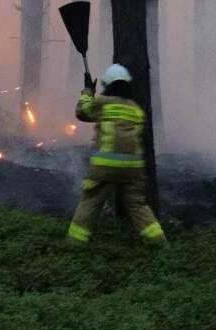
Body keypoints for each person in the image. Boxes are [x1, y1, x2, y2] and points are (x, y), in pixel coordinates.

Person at [66, 63, 167, 243]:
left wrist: (88, 91)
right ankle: (160, 245)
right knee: (138, 206)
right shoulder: (136, 110)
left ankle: (74, 245)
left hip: (105, 166)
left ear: (107, 85)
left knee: (91, 202)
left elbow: (82, 112)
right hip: (133, 169)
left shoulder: (103, 103)